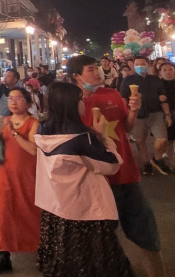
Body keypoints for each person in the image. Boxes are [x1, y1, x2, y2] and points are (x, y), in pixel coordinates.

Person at [69, 54, 166, 277]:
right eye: (91, 69)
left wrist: (133, 110)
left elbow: (128, 129)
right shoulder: (73, 103)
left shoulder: (111, 93)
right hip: (96, 182)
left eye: (97, 68)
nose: (98, 72)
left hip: (127, 175)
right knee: (100, 241)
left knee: (145, 232)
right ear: (77, 76)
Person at [34, 82, 133, 277]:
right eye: (80, 99)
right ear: (70, 104)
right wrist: (103, 136)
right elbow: (111, 165)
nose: (84, 102)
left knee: (64, 260)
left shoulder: (43, 130)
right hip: (85, 211)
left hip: (55, 207)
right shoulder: (82, 139)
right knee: (92, 263)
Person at [0, 87, 41, 274]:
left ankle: (41, 251)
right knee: (5, 213)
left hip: (28, 176)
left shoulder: (34, 123)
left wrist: (14, 132)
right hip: (6, 175)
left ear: (27, 102)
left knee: (30, 212)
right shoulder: (4, 120)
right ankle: (2, 256)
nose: (13, 102)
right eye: (10, 98)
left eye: (18, 98)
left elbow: (34, 150)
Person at [120, 55, 172, 175]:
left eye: (143, 64)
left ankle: (157, 158)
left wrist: (167, 114)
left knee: (162, 138)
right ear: (133, 65)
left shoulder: (155, 79)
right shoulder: (128, 80)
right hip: (137, 114)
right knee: (140, 140)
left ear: (148, 65)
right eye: (137, 64)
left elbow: (162, 97)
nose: (140, 66)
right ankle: (146, 163)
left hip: (156, 112)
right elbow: (123, 98)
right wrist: (126, 113)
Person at [159, 62, 175, 172]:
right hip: (166, 116)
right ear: (160, 72)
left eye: (170, 69)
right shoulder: (159, 86)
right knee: (170, 139)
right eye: (165, 70)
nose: (168, 72)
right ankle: (173, 163)